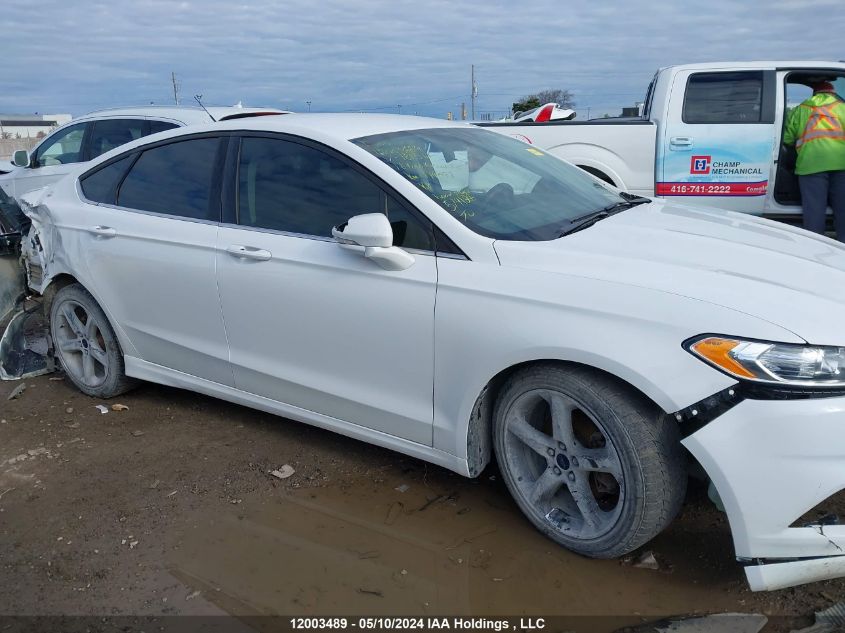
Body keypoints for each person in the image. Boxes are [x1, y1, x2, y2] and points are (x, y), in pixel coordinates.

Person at [783, 81, 845, 241]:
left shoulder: (802, 109)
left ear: (815, 93)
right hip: (841, 164)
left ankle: (815, 249)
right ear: (832, 93)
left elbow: (787, 138)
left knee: (814, 212)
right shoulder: (842, 108)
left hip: (810, 165)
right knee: (843, 210)